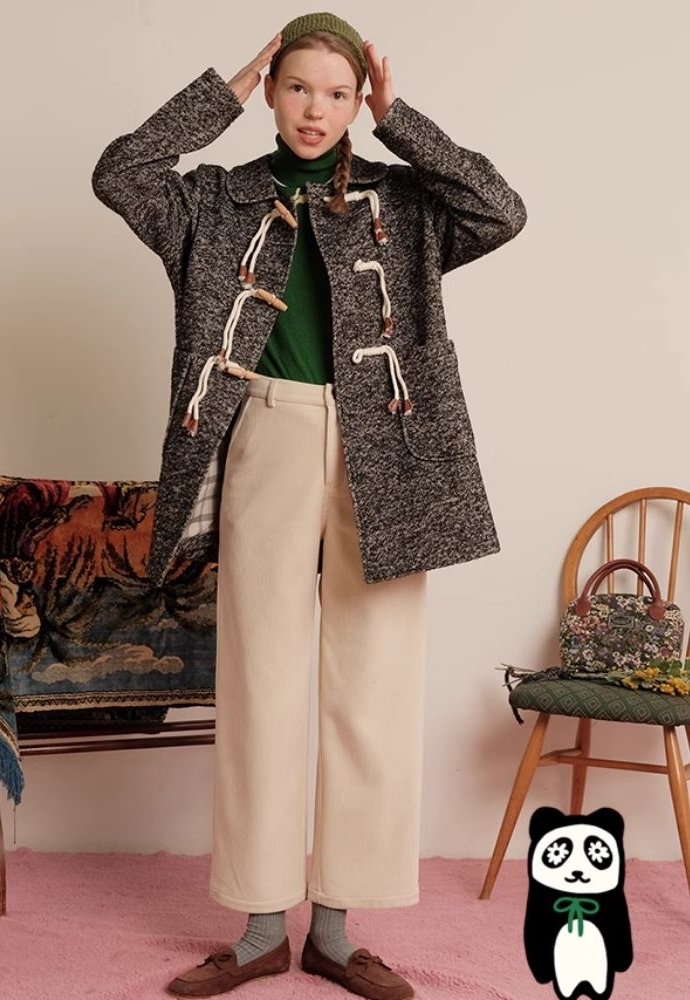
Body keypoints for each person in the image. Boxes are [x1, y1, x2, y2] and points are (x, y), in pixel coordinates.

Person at [91, 11, 527, 999]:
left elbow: (501, 208)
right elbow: (121, 172)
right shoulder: (214, 199)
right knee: (260, 677)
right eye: (297, 87)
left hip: (390, 446)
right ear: (273, 90)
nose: (315, 110)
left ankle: (336, 928)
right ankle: (258, 931)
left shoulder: (407, 202)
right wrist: (222, 92)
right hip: (266, 432)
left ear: (358, 99)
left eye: (337, 92)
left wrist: (401, 119)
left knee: (376, 683)